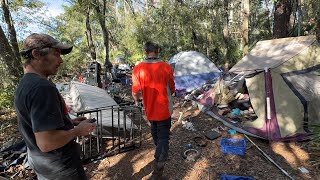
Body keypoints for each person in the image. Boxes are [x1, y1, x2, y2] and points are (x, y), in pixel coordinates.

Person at [14, 33, 96, 180]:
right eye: (56, 54)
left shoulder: (25, 84)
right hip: (61, 169)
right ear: (36, 54)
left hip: (44, 166)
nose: (61, 60)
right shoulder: (41, 88)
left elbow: (38, 128)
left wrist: (68, 124)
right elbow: (47, 142)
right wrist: (77, 131)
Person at [131, 41, 175, 179]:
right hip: (164, 110)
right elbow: (172, 88)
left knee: (157, 134)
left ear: (145, 52)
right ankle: (159, 166)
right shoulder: (166, 67)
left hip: (150, 111)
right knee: (163, 138)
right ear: (158, 50)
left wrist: (138, 101)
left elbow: (135, 92)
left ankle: (159, 160)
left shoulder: (138, 68)